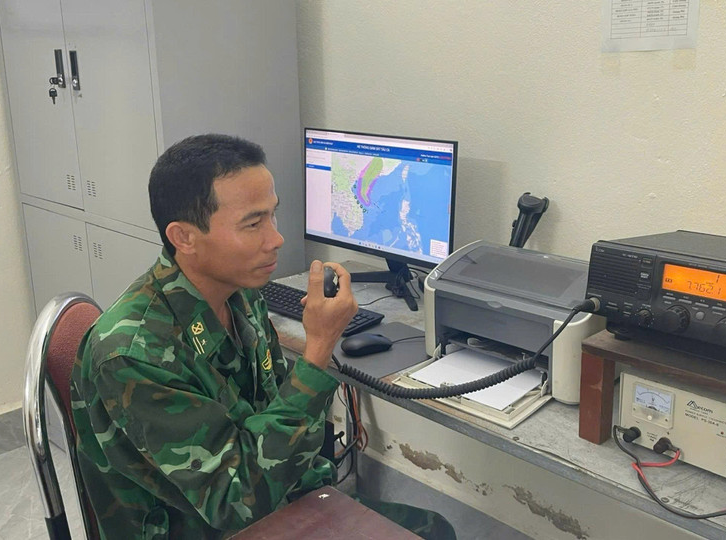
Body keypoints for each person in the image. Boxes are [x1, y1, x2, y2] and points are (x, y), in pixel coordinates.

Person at [70, 134, 454, 539]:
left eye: (273, 216)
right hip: (212, 525)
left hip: (274, 498)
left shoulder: (241, 294)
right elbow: (234, 501)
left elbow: (266, 416)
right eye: (253, 223)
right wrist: (318, 349)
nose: (276, 239)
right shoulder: (133, 352)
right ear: (183, 238)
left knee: (433, 529)